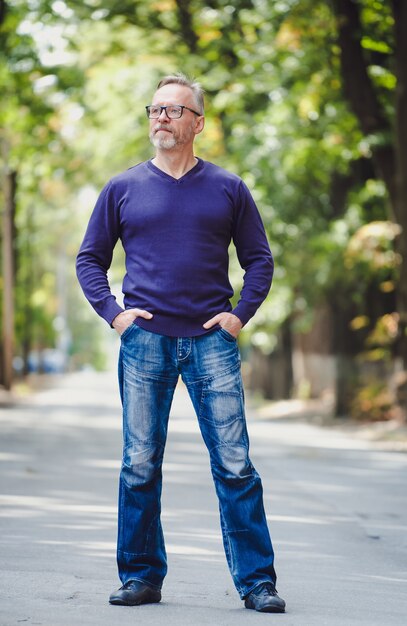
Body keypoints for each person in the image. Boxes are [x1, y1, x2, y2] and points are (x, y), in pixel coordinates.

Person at [76, 73, 285, 614]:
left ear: (198, 122)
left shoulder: (228, 188)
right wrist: (117, 316)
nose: (161, 117)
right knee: (139, 463)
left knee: (235, 464)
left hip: (212, 342)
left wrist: (240, 315)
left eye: (174, 110)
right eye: (155, 109)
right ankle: (141, 576)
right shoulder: (122, 188)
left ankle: (257, 582)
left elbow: (259, 259)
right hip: (145, 341)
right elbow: (90, 259)